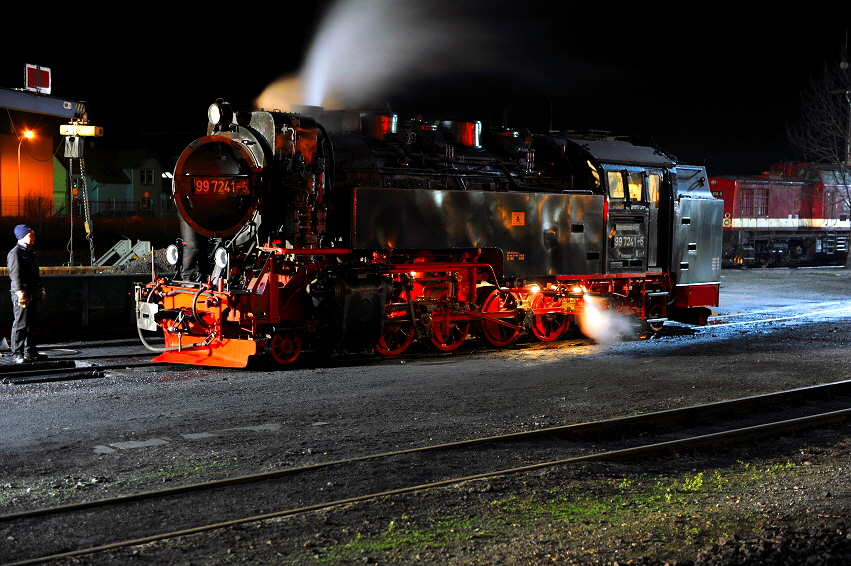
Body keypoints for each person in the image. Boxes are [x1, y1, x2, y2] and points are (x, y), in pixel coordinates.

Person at [7, 225, 46, 363]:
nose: (33, 237)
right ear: (22, 236)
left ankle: (30, 352)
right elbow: (15, 275)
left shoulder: (31, 253)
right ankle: (17, 354)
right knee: (21, 324)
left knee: (32, 324)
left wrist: (40, 288)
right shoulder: (15, 253)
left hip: (32, 292)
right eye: (31, 235)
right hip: (22, 294)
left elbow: (36, 273)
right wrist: (19, 292)